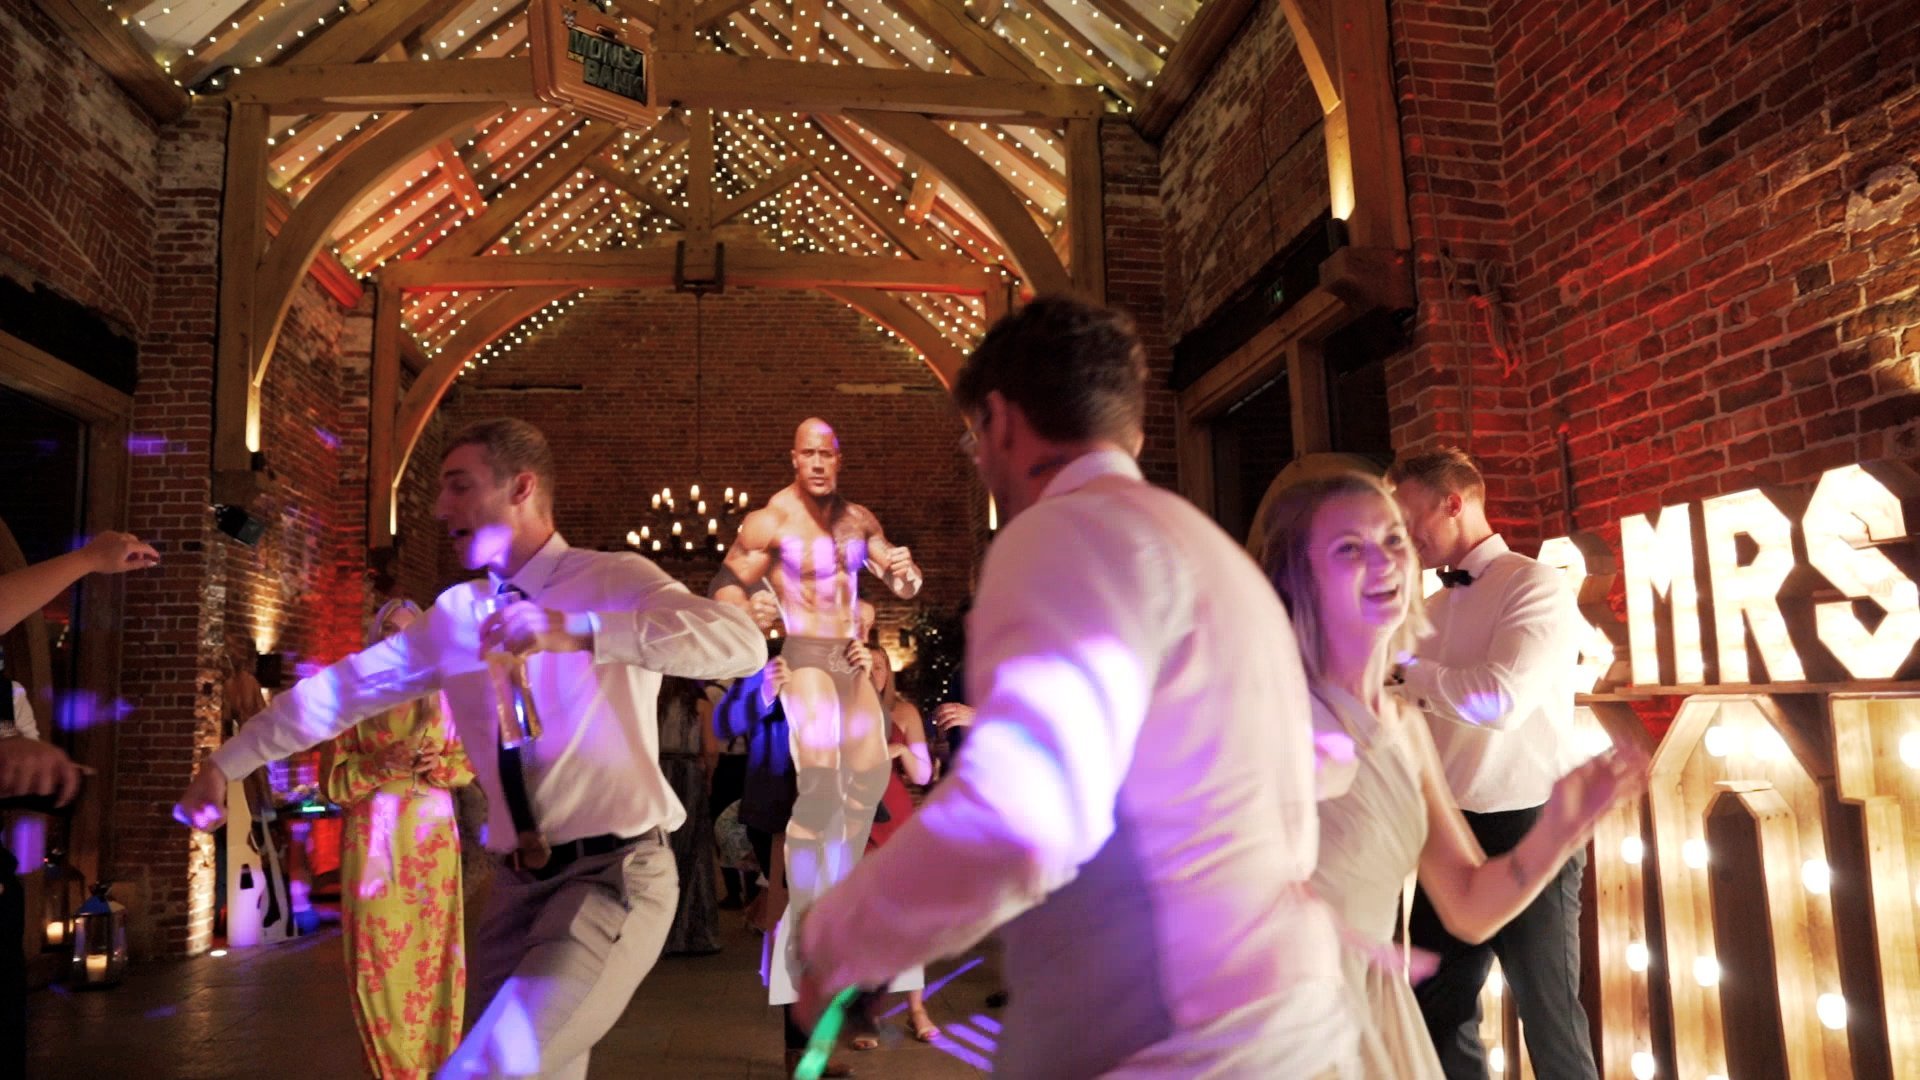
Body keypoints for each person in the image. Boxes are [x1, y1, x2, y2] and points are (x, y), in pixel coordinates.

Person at [792, 296, 1360, 1078]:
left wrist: (834, 941)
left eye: (972, 438)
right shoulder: (1217, 556)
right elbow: (1314, 765)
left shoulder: (1064, 535)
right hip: (1291, 1018)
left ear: (999, 419)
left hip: (1163, 1033)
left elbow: (1026, 813)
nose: (978, 459)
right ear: (1131, 427)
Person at [172, 418, 766, 1080]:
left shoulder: (610, 578)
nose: (438, 507)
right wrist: (226, 764)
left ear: (521, 487)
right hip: (514, 897)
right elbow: (342, 691)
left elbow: (738, 645)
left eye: (459, 486)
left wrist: (581, 629)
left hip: (614, 878)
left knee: (484, 1071)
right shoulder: (456, 617)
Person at [1257, 471, 1644, 1078]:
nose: (1391, 558)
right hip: (1282, 1022)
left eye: (1394, 539)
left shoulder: (1407, 724)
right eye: (1351, 548)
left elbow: (1468, 901)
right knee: (1446, 1015)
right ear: (1299, 575)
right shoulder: (1261, 711)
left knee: (1550, 1019)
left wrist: (1558, 829)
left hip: (1511, 825)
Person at [1389, 447, 1601, 1079]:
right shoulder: (1429, 609)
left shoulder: (1536, 584)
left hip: (1530, 823)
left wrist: (1405, 672)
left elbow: (1500, 701)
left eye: (1409, 514)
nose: (1403, 533)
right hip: (1452, 831)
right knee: (1435, 1013)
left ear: (1454, 502)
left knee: (1551, 1021)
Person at [712, 418, 924, 1026]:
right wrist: (747, 606)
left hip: (849, 659)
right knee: (823, 776)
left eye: (826, 453)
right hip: (804, 652)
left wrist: (906, 572)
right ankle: (805, 902)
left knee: (868, 773)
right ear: (794, 458)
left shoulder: (860, 520)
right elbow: (724, 583)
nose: (818, 463)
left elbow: (902, 580)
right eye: (807, 453)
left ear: (839, 457)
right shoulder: (770, 520)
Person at [325, 599, 473, 1079]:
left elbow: (468, 763)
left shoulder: (446, 690)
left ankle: (438, 1067)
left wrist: (441, 767)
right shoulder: (352, 694)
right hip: (376, 846)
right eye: (390, 629)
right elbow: (334, 783)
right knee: (379, 964)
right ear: (375, 634)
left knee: (434, 964)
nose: (399, 638)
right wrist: (380, 763)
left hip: (433, 845)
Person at [658, 674, 721, 956]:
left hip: (659, 775)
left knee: (664, 849)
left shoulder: (654, 702)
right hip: (688, 776)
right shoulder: (700, 705)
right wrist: (709, 777)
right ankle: (693, 931)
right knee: (693, 851)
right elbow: (710, 748)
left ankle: (660, 932)